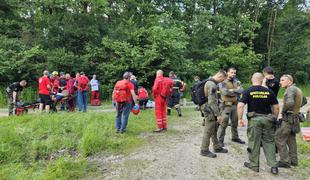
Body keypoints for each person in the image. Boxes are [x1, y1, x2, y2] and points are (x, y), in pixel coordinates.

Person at [237, 72, 279, 175]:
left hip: (254, 120)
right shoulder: (269, 92)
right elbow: (276, 107)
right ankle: (273, 166)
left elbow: (240, 106)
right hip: (268, 119)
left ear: (252, 79)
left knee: (254, 142)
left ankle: (254, 165)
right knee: (269, 142)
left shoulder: (248, 91)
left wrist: (240, 119)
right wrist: (274, 118)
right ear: (262, 80)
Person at [275, 75, 307, 168]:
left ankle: (284, 161)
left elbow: (289, 103)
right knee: (291, 138)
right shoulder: (298, 89)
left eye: (282, 80)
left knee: (278, 137)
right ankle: (293, 160)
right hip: (295, 118)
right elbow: (304, 101)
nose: (280, 82)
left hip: (288, 118)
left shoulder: (290, 89)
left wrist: (284, 111)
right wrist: (296, 109)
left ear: (289, 81)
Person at [200, 70, 228, 158]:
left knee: (214, 127)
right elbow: (212, 101)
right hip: (209, 109)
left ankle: (216, 147)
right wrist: (218, 115)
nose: (222, 82)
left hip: (209, 108)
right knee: (209, 129)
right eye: (222, 79)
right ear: (220, 76)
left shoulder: (211, 82)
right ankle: (204, 150)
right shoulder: (211, 84)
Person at [218, 67, 245, 147]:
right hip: (226, 106)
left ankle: (235, 137)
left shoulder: (237, 81)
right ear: (227, 73)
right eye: (232, 72)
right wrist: (235, 91)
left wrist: (232, 91)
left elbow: (242, 90)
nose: (233, 74)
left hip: (235, 105)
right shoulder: (223, 82)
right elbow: (225, 92)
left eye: (234, 73)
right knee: (224, 123)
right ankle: (220, 140)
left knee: (235, 123)